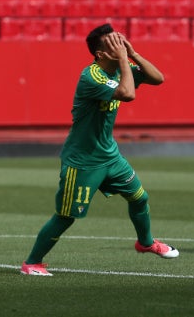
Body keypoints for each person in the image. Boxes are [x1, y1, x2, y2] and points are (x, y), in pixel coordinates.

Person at [21, 24, 178, 276]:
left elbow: (158, 78)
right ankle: (32, 263)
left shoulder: (119, 68)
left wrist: (133, 53)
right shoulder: (91, 76)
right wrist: (125, 60)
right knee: (66, 216)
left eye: (120, 41)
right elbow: (127, 94)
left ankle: (146, 243)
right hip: (83, 161)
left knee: (140, 198)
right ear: (100, 54)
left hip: (110, 156)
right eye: (113, 45)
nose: (119, 46)